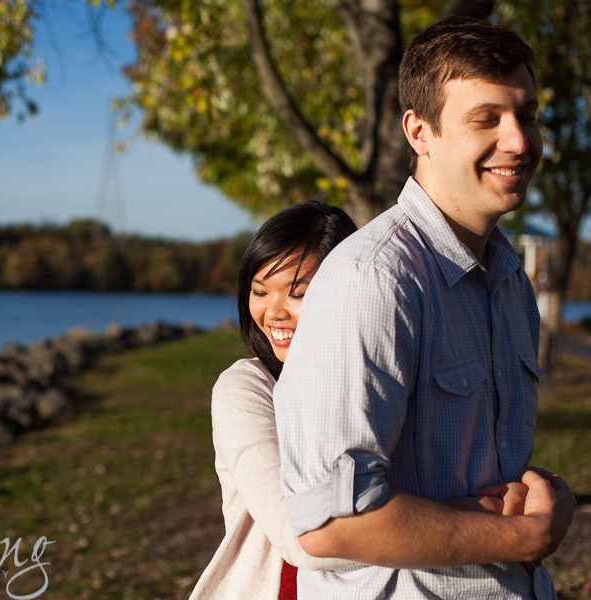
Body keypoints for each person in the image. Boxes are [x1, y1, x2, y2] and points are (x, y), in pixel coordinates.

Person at [274, 16, 576, 600]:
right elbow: (329, 522)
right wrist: (521, 537)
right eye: (485, 118)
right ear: (420, 132)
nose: (519, 140)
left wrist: (538, 498)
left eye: (528, 115)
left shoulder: (510, 278)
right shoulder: (373, 280)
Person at [190, 201, 515, 600]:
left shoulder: (373, 379)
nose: (273, 312)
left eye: (298, 294)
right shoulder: (246, 388)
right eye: (259, 292)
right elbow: (305, 534)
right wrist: (497, 516)